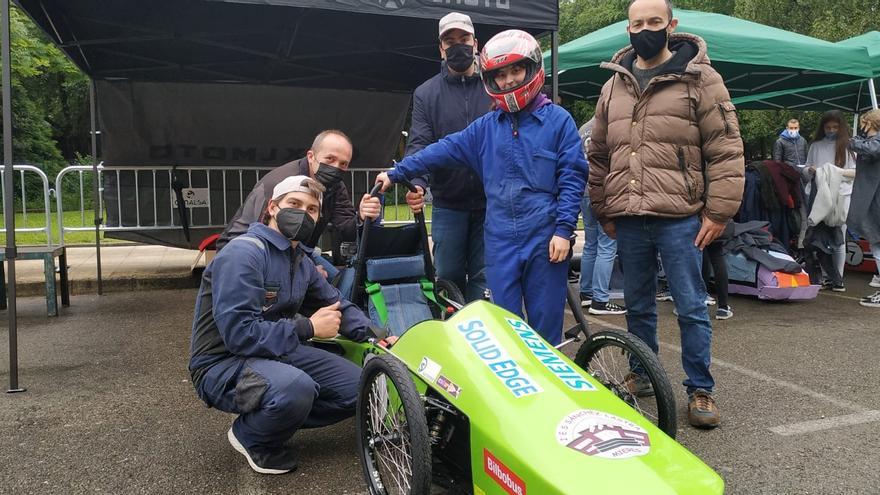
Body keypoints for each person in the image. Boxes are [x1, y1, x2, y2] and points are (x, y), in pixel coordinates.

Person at [588, 0, 744, 428]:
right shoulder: (613, 86)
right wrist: (602, 206)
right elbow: (598, 153)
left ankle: (701, 389)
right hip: (629, 215)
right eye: (637, 23)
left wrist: (720, 210)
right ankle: (642, 374)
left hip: (680, 216)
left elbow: (726, 148)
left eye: (654, 22)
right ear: (628, 29)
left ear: (671, 26)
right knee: (637, 307)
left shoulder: (701, 78)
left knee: (691, 305)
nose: (645, 29)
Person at [376, 29, 587, 346]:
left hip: (544, 236)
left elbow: (572, 176)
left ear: (531, 69)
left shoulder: (558, 120)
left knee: (545, 324)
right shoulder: (486, 128)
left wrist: (563, 229)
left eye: (516, 70)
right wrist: (398, 172)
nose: (509, 81)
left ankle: (547, 390)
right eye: (500, 75)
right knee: (503, 323)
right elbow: (442, 148)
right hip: (500, 237)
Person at [188, 176, 377, 475]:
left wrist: (379, 336)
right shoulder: (244, 254)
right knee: (294, 387)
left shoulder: (300, 260)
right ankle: (251, 436)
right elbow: (239, 335)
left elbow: (337, 303)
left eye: (312, 208)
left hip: (275, 350)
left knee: (361, 387)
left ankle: (279, 411)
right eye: (294, 203)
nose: (303, 213)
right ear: (273, 207)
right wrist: (309, 329)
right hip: (222, 361)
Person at [403, 12, 493, 302]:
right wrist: (416, 182)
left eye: (463, 39)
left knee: (484, 277)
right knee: (448, 276)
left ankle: (482, 340)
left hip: (492, 202)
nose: (458, 46)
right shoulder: (425, 93)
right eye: (450, 41)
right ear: (440, 48)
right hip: (448, 203)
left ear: (475, 42)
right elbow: (419, 142)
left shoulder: (495, 85)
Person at [216, 130, 383, 275]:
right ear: (311, 156)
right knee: (322, 283)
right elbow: (266, 237)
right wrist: (301, 272)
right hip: (246, 255)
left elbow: (346, 227)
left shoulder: (335, 186)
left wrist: (361, 216)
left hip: (299, 251)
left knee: (340, 279)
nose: (335, 167)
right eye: (330, 159)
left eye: (343, 164)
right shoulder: (280, 183)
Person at [578, 118, 626, 315]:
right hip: (603, 189)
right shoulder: (609, 126)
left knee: (591, 244)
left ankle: (586, 292)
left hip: (584, 190)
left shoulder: (583, 128)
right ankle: (600, 299)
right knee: (607, 245)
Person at [804, 110, 856, 289]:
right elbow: (806, 167)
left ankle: (838, 277)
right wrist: (810, 170)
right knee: (819, 238)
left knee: (838, 237)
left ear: (841, 128)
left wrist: (835, 172)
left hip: (841, 196)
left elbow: (855, 172)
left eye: (835, 127)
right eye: (828, 127)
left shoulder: (849, 146)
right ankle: (828, 277)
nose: (831, 130)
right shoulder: (816, 146)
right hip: (817, 196)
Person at [846, 109, 880, 307]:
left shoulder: (875, 143)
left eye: (864, 123)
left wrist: (852, 141)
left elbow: (872, 149)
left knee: (878, 246)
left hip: (875, 202)